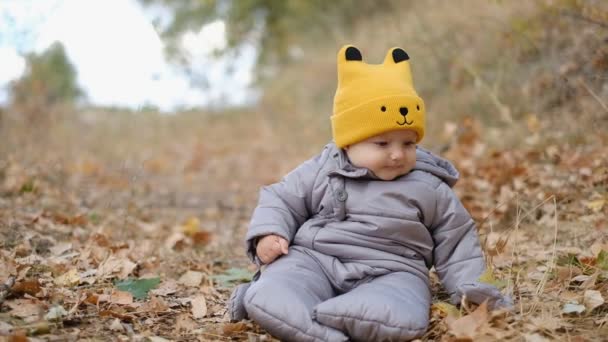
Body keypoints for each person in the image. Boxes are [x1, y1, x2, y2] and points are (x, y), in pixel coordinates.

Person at [228, 45, 512, 341]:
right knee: (280, 284)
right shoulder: (324, 169)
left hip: (393, 269)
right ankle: (306, 321)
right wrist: (269, 234)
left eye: (408, 144)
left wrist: (473, 290)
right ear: (348, 142)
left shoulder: (428, 186)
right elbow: (282, 197)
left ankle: (341, 317)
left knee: (398, 306)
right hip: (316, 258)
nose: (397, 155)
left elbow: (457, 241)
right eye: (382, 144)